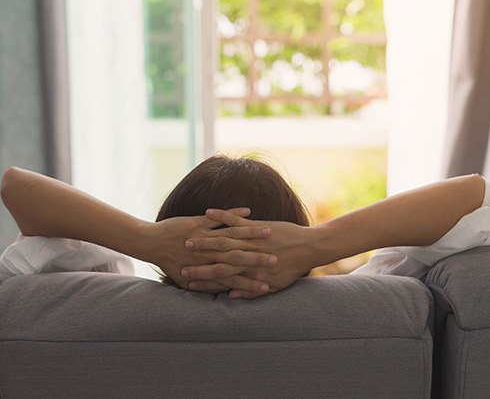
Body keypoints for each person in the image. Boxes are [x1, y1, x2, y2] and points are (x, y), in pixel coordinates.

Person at [1, 156, 489, 299]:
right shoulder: (381, 302)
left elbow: (17, 188)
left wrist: (145, 242)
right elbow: (474, 196)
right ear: (291, 230)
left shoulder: (95, 300)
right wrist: (317, 246)